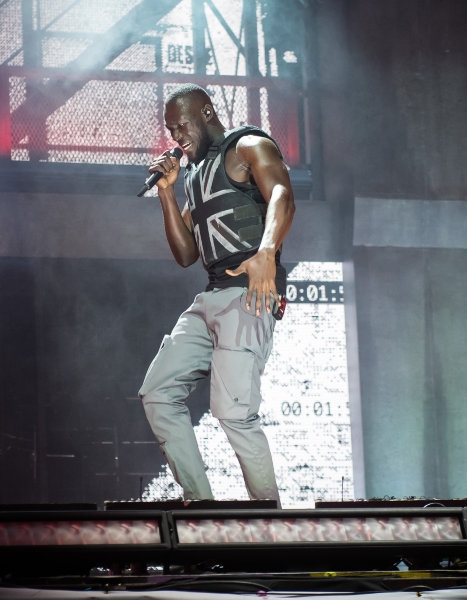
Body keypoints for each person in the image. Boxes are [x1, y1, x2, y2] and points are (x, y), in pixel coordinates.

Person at [139, 84, 296, 502]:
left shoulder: (248, 145)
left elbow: (283, 195)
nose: (177, 137)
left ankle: (269, 520)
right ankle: (200, 506)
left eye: (181, 126)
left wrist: (266, 252)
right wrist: (166, 191)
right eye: (171, 131)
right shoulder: (195, 174)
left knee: (233, 411)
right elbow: (186, 254)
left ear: (206, 112)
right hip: (210, 297)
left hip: (248, 292)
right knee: (158, 393)